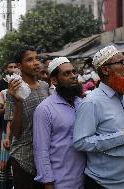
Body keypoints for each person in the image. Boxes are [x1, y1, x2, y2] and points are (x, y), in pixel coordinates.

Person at [73, 45, 124, 189]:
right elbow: (81, 142)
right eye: (122, 62)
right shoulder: (92, 102)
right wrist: (123, 136)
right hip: (109, 185)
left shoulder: (122, 96)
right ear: (106, 70)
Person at [33, 57, 86, 189]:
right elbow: (41, 150)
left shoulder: (82, 103)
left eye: (74, 72)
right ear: (54, 80)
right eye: (66, 73)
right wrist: (48, 182)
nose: (73, 76)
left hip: (85, 178)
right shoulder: (44, 109)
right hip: (61, 182)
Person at [4, 46, 49, 189]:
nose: (36, 63)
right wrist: (19, 101)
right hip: (24, 159)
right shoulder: (13, 90)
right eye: (30, 60)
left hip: (45, 157)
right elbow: (16, 132)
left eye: (37, 58)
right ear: (19, 66)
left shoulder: (44, 86)